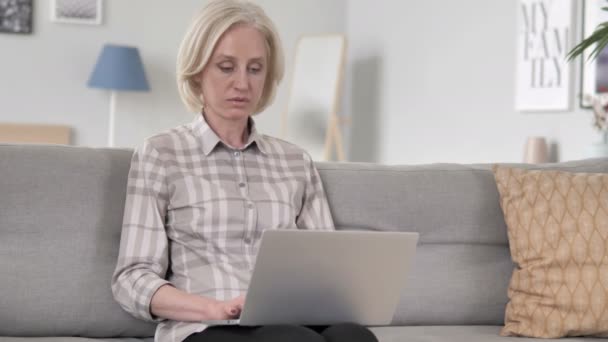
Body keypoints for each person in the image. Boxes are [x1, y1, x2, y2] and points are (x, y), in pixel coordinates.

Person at [111, 1, 378, 341]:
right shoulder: (161, 154)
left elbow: (328, 270)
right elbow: (132, 278)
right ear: (197, 72)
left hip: (289, 320)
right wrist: (213, 308)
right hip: (206, 326)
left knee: (354, 336)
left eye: (255, 69)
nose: (242, 83)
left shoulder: (295, 161)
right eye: (226, 67)